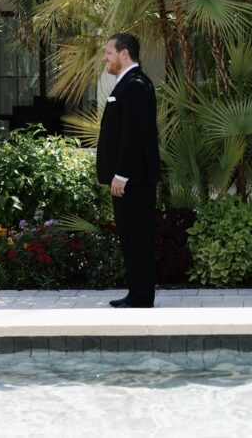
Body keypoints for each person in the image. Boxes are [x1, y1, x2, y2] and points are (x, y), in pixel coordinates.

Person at [96, 33, 160, 308]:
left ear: (124, 54)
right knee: (131, 235)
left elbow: (133, 135)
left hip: (133, 179)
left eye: (109, 53)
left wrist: (121, 175)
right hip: (129, 179)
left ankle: (141, 296)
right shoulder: (128, 84)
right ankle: (137, 293)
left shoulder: (134, 85)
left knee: (137, 236)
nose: (105, 58)